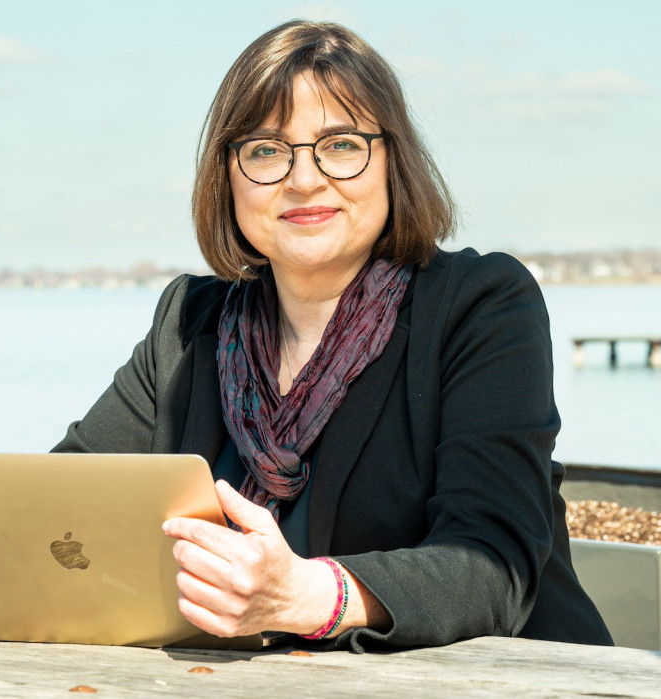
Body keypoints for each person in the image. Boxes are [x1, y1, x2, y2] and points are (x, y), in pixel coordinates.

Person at [52, 19, 612, 652]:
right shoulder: (189, 322)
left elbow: (493, 568)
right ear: (227, 176)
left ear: (391, 161)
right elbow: (62, 502)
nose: (304, 179)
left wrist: (304, 595)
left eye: (340, 144)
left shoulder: (480, 304)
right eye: (266, 149)